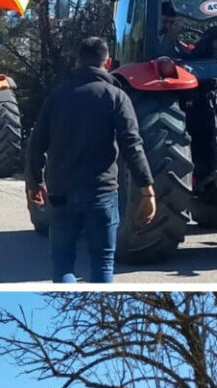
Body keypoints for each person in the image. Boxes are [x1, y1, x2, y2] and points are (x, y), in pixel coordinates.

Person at [26, 37, 156, 283]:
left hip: (61, 192)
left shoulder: (57, 97)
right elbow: (132, 145)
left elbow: (37, 143)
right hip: (102, 194)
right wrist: (146, 188)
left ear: (77, 62)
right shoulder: (116, 97)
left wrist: (35, 182)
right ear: (107, 63)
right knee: (103, 262)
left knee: (63, 263)